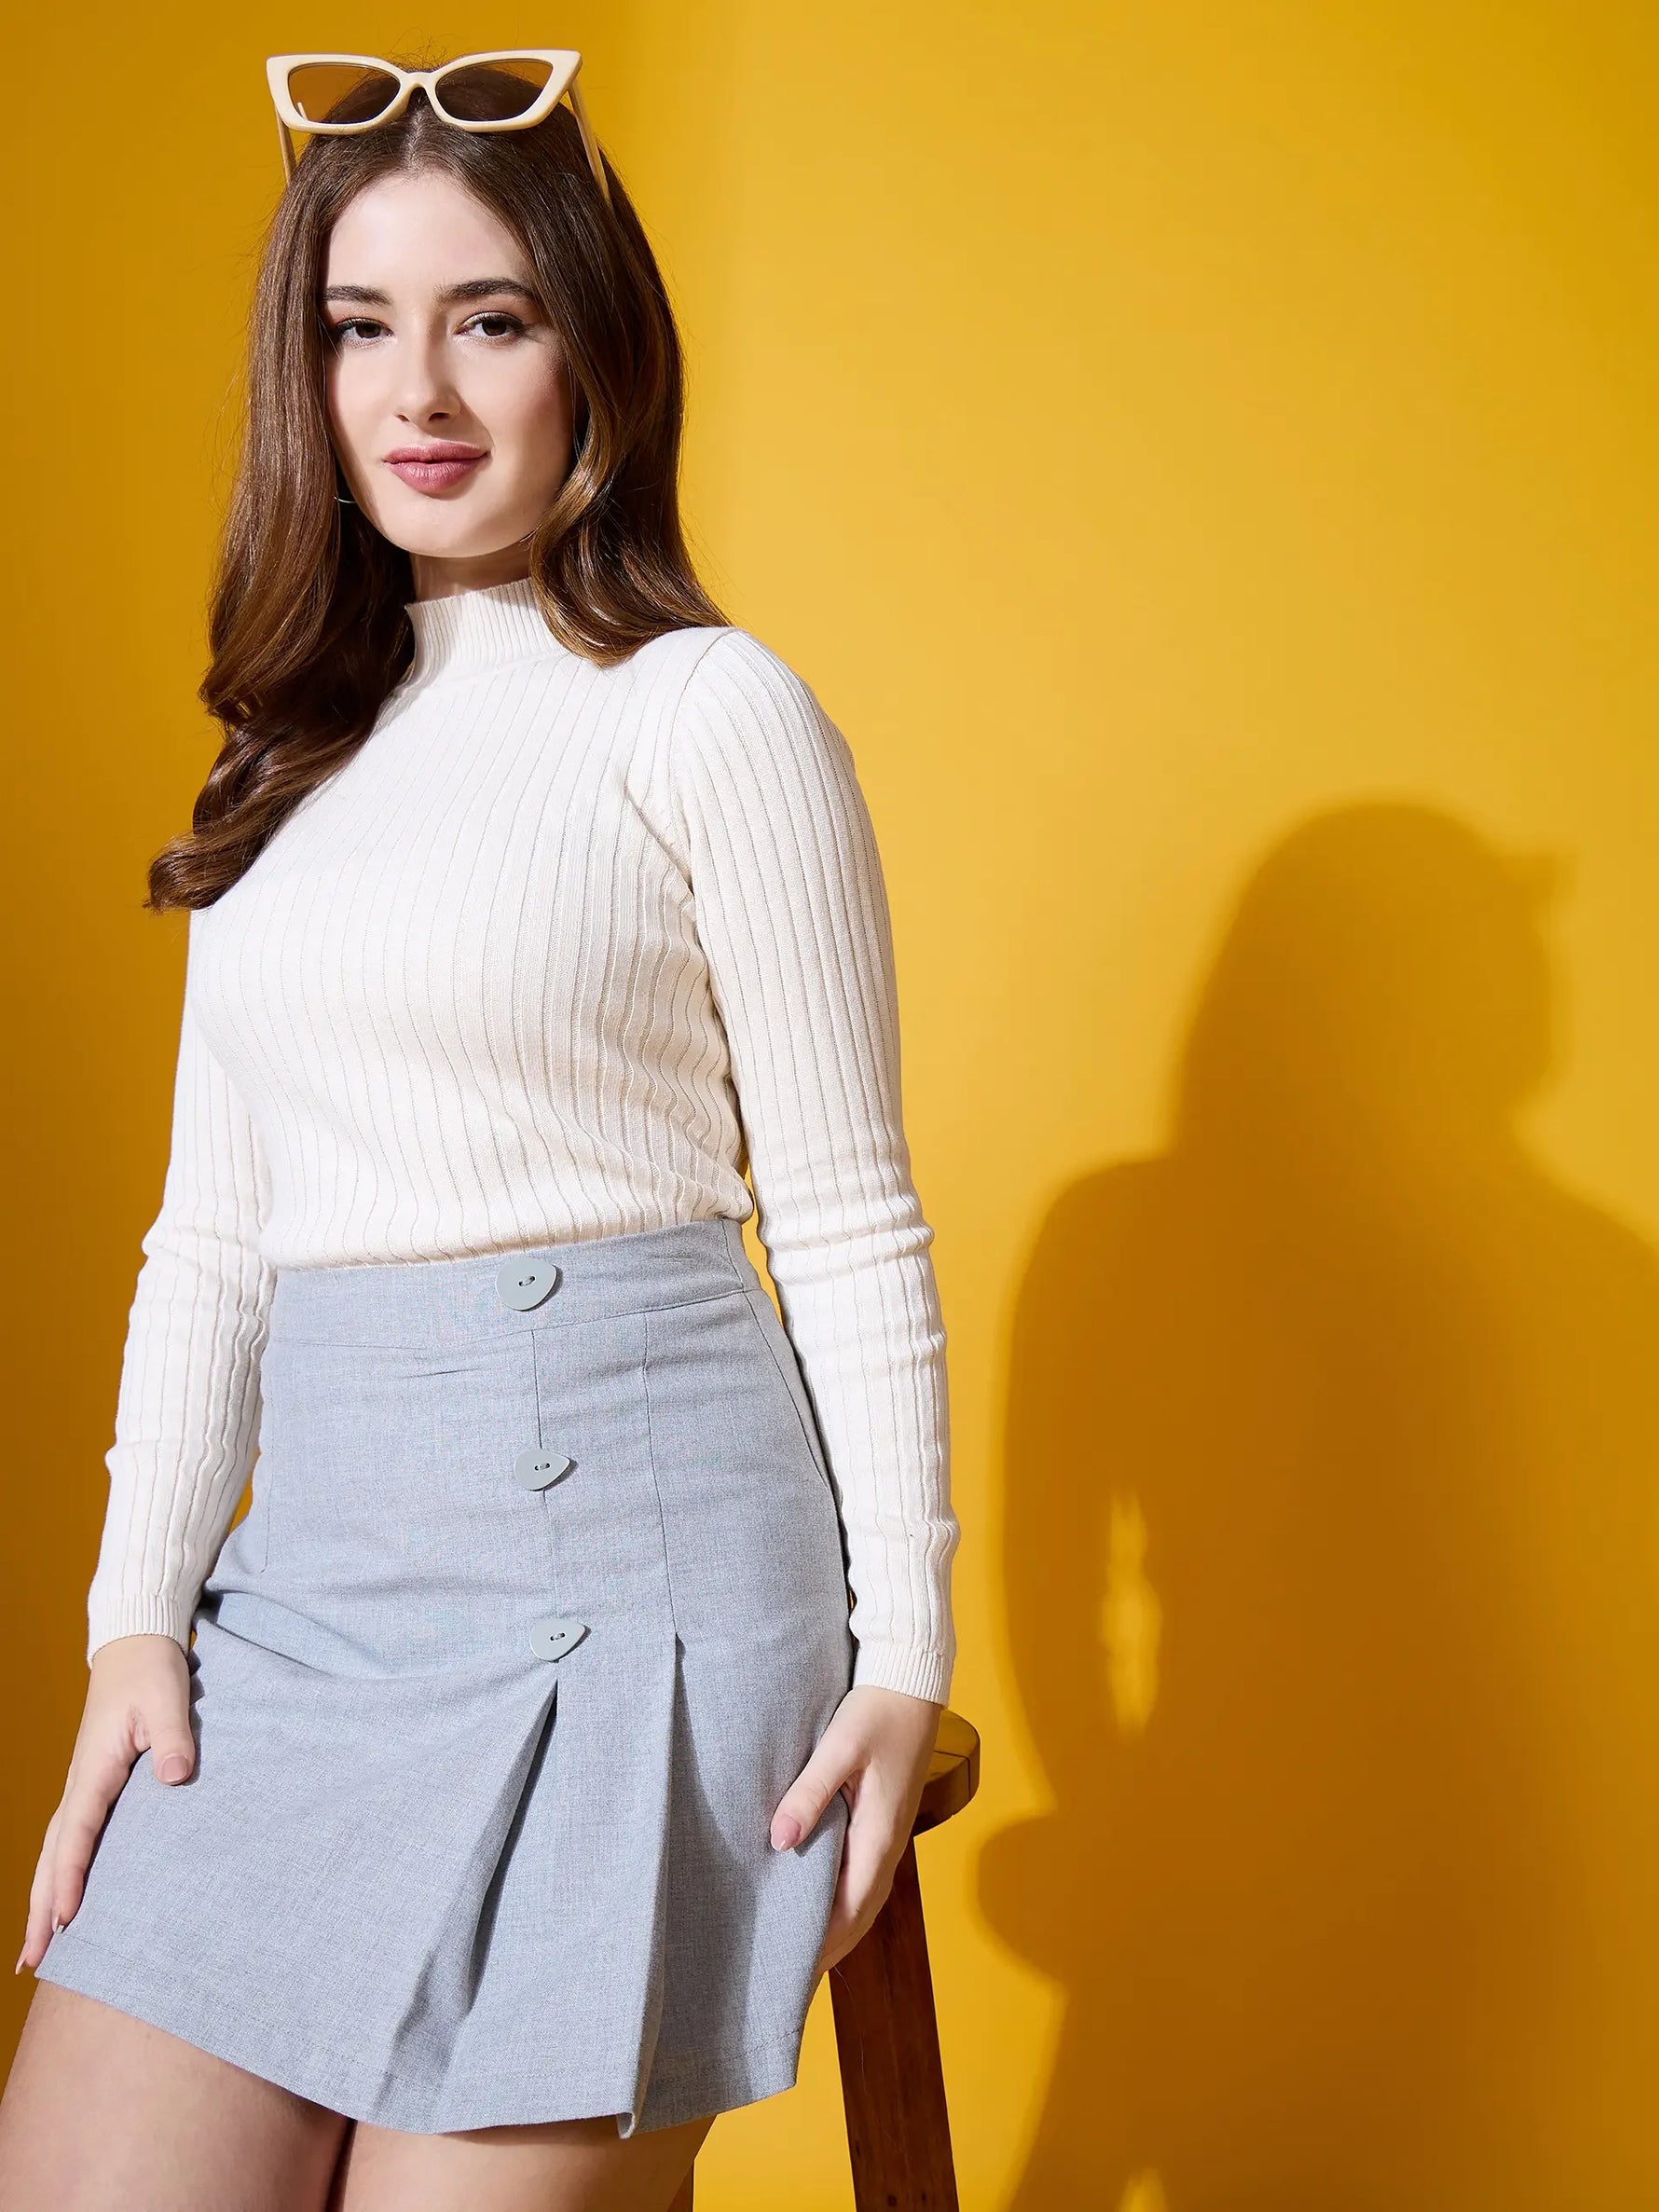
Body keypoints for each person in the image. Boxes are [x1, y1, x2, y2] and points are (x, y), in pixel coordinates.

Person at [0, 51, 958, 2210]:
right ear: (304, 370)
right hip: (313, 1600)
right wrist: (134, 1620)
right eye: (361, 325)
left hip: (633, 1586)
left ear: (592, 346)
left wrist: (903, 1640)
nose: (418, 387)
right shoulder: (282, 756)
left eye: (489, 317)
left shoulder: (709, 713)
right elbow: (212, 1244)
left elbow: (844, 1209)